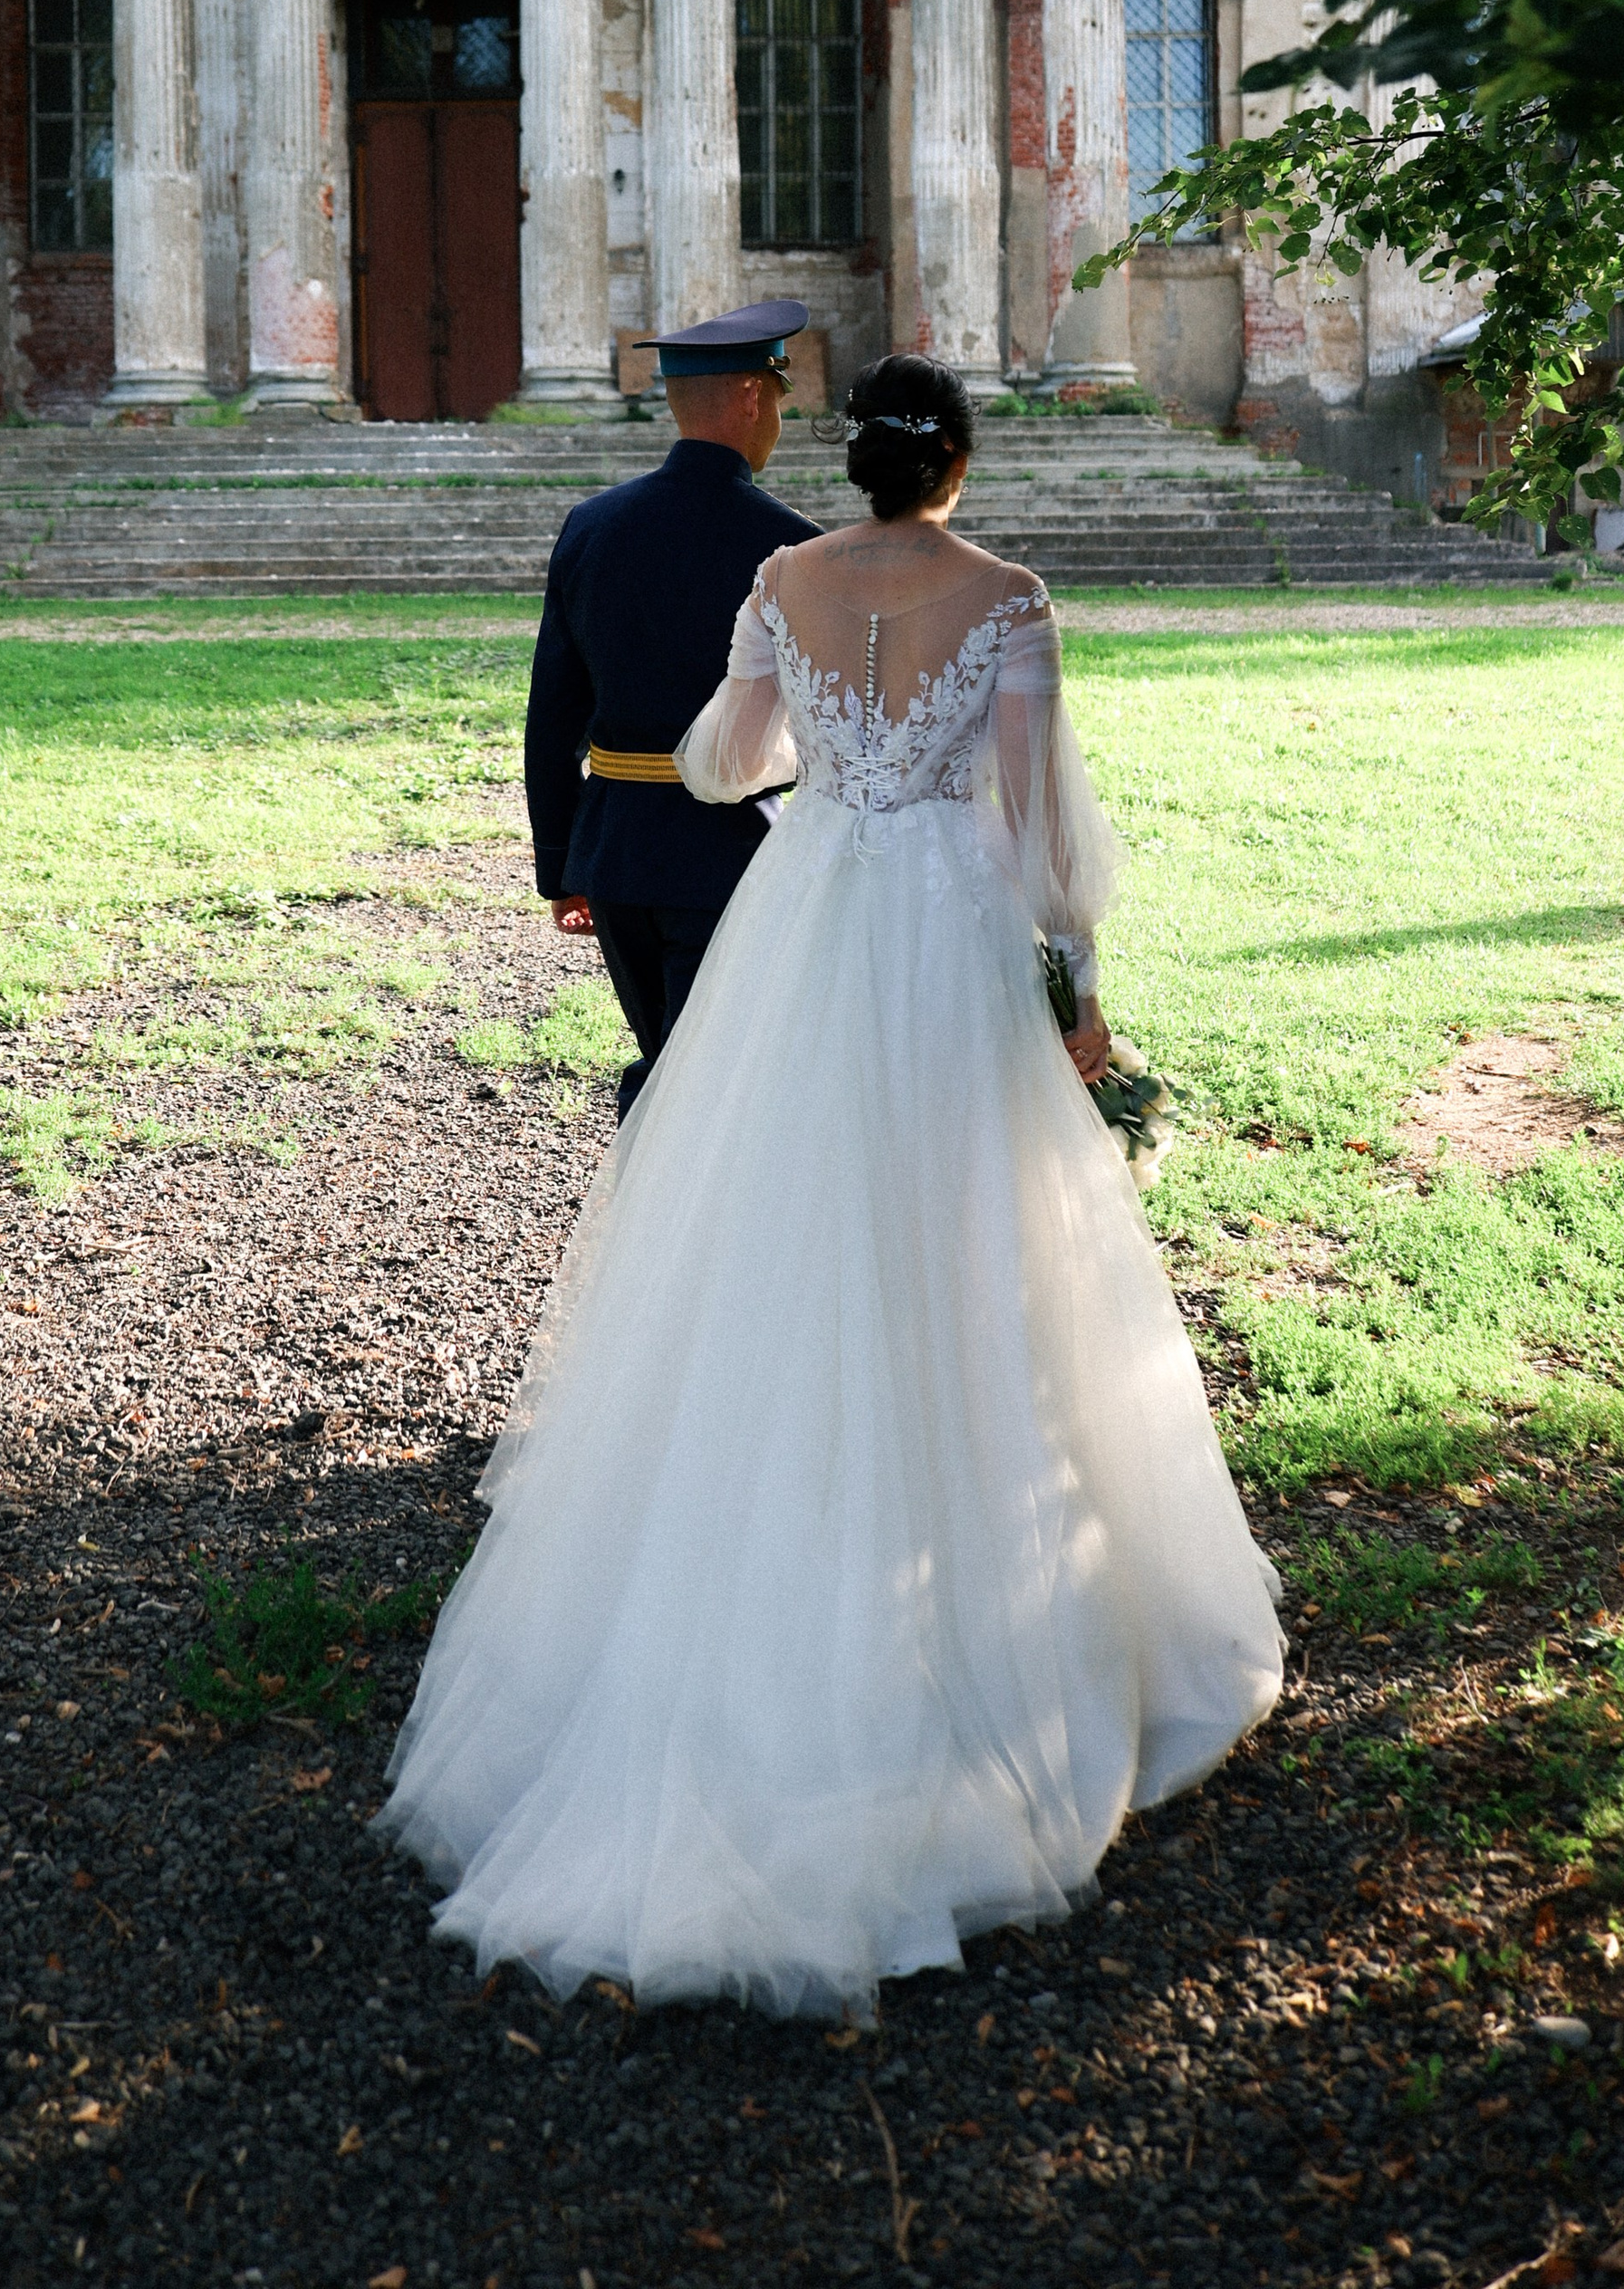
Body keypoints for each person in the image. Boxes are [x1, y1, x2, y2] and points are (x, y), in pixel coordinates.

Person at [382, 351, 1284, 2024]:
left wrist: (816, 768)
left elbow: (726, 763)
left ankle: (758, 1571)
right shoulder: (1008, 598)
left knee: (772, 1236)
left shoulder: (780, 577)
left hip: (805, 924)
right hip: (943, 936)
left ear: (854, 459)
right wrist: (1078, 993)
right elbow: (1034, 831)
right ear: (955, 461)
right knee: (973, 1239)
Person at [523, 301, 821, 1118]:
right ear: (755, 399)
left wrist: (561, 865)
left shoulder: (592, 527)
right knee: (700, 1078)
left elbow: (552, 715)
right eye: (779, 403)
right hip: (731, 850)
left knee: (669, 1051)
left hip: (616, 850)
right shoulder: (792, 546)